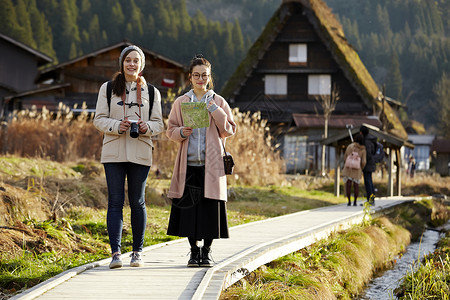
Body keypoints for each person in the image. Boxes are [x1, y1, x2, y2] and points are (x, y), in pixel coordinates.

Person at [93, 45, 164, 269]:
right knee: (115, 202)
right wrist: (117, 125)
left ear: (141, 65)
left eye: (136, 60)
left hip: (140, 150)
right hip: (113, 151)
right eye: (128, 60)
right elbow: (98, 120)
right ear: (122, 63)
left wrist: (146, 127)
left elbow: (159, 124)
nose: (132, 64)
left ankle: (137, 252)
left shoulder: (152, 92)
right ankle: (115, 254)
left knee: (138, 202)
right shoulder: (107, 88)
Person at [166, 54, 236, 267]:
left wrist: (214, 110)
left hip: (211, 166)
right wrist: (181, 132)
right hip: (188, 164)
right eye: (196, 75)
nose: (200, 79)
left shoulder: (218, 101)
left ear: (209, 77)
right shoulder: (181, 102)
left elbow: (229, 130)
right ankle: (193, 252)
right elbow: (170, 130)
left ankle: (206, 252)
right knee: (188, 211)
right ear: (190, 77)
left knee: (209, 212)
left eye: (204, 75)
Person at [342, 133, 366, 206]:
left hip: (348, 168)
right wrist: (361, 167)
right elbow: (364, 161)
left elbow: (345, 157)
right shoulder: (363, 149)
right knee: (356, 185)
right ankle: (355, 202)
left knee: (348, 184)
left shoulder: (350, 146)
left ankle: (349, 201)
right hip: (357, 169)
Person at [360, 125, 376, 205]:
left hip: (367, 164)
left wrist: (363, 161)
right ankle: (371, 199)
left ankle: (370, 200)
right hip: (371, 163)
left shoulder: (366, 141)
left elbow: (368, 153)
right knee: (370, 181)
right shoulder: (371, 139)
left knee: (368, 182)